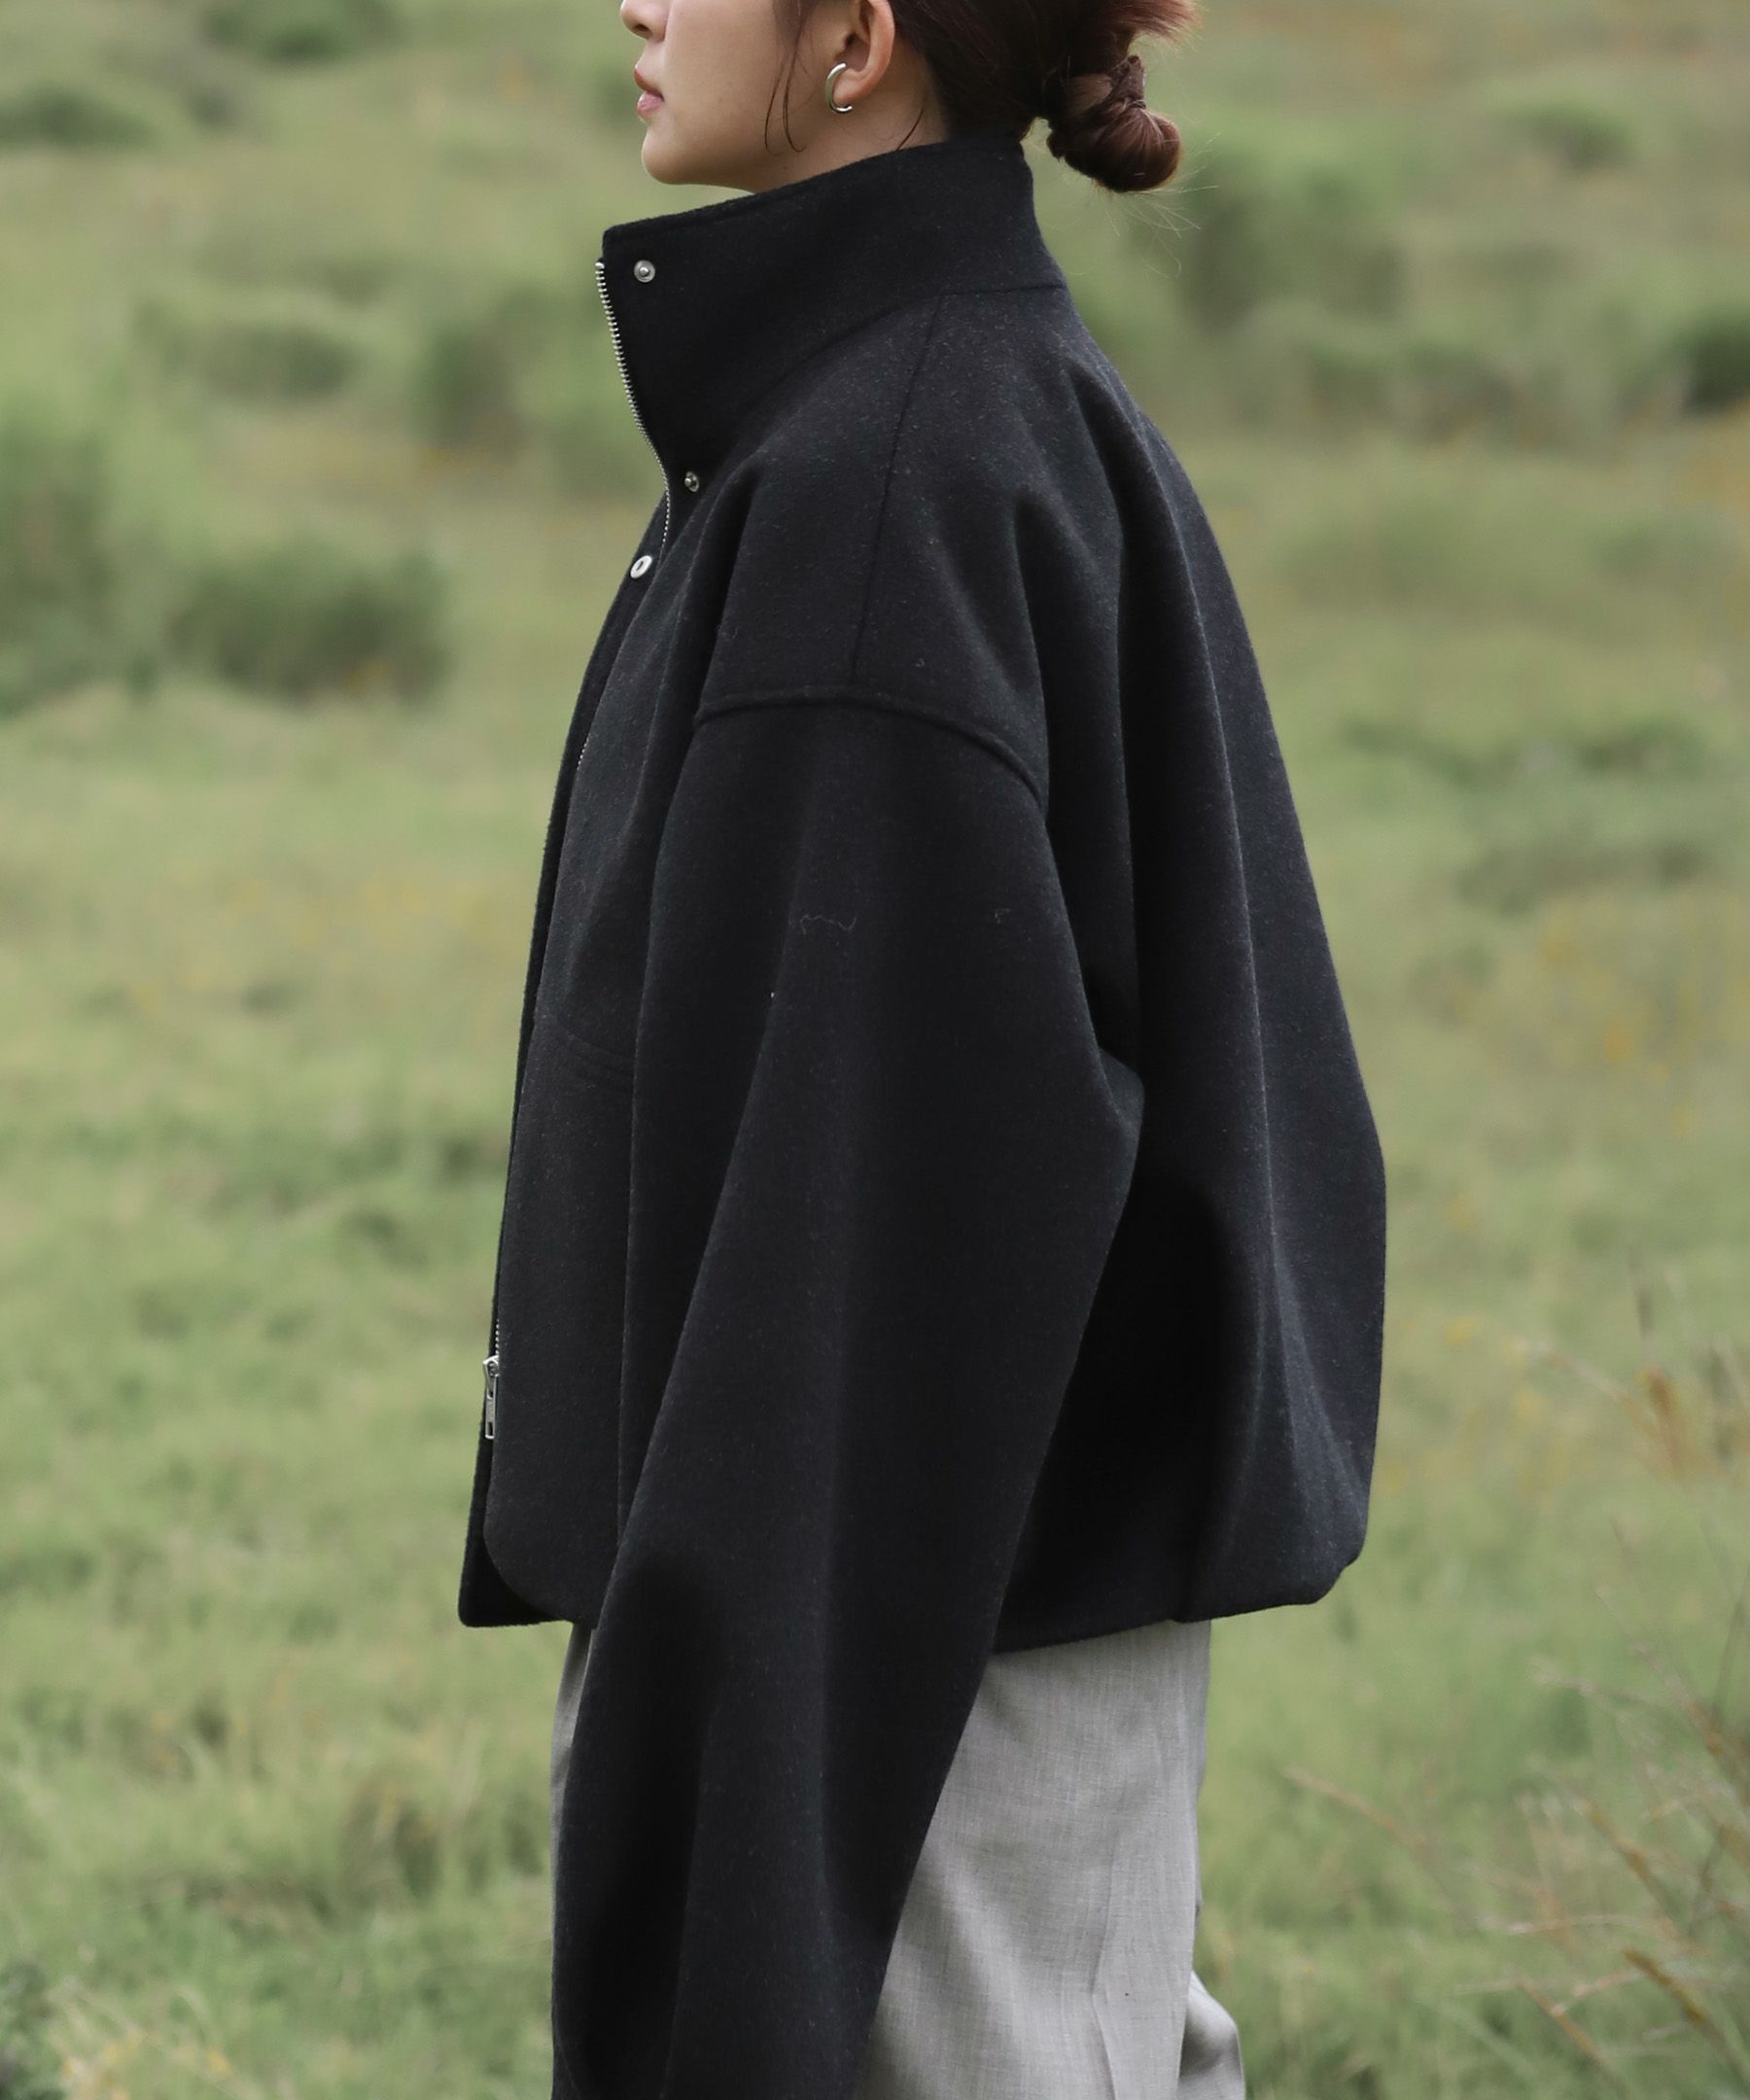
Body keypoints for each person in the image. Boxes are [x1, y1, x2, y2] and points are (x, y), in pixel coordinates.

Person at [454, 0, 1389, 2094]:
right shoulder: (946, 408)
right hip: (970, 1654)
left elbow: (848, 1291)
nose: (639, 1)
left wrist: (743, 1811)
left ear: (859, 37)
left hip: (899, 1688)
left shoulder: (876, 493)